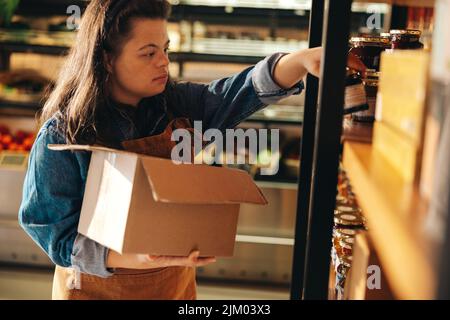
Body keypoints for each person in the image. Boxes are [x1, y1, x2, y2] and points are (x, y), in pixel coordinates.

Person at [18, 0, 365, 300]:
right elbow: (51, 232)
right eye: (148, 53)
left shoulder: (175, 104)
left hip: (173, 286)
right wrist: (136, 257)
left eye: (165, 49)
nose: (163, 63)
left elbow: (234, 93)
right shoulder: (66, 132)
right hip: (94, 289)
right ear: (107, 60)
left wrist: (298, 61)